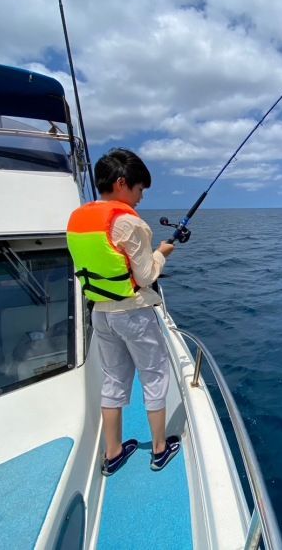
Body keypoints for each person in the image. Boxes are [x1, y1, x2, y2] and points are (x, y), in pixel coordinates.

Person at [66, 148, 179, 476]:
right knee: (155, 376)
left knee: (113, 379)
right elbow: (145, 277)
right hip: (133, 314)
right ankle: (159, 448)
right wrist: (162, 253)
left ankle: (112, 452)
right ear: (121, 183)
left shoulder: (77, 219)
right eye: (139, 188)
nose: (141, 196)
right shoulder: (130, 223)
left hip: (100, 313)